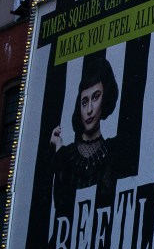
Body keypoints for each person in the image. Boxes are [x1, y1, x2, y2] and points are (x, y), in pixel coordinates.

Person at [50, 54, 122, 222]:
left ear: (105, 100)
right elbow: (60, 205)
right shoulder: (66, 154)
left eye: (95, 97)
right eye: (84, 101)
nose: (89, 109)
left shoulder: (112, 151)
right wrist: (59, 148)